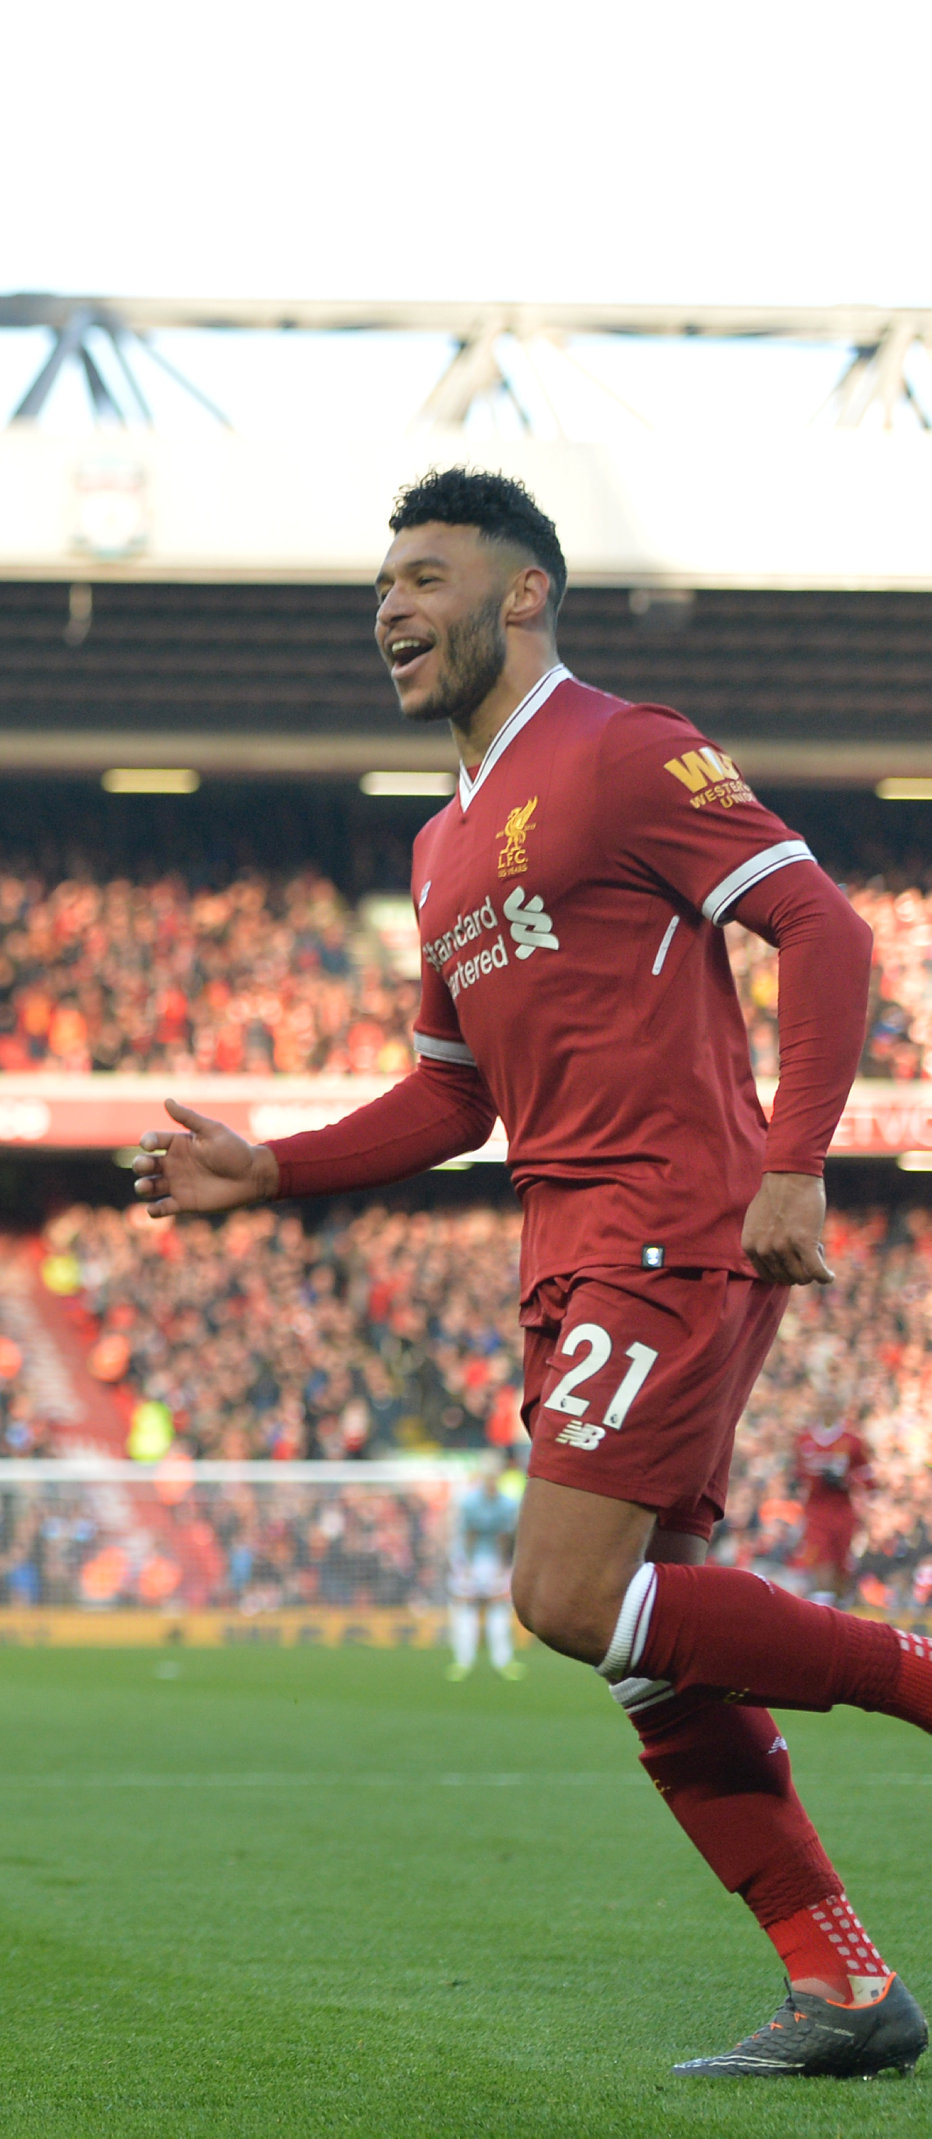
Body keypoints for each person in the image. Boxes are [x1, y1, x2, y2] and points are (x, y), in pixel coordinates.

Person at [133, 468, 909, 2079]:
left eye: (425, 576)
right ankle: (842, 1986)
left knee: (564, 1597)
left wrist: (794, 1153)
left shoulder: (623, 751)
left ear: (524, 592)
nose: (393, 609)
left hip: (671, 1220)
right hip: (569, 1249)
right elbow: (450, 1098)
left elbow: (825, 931)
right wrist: (270, 1168)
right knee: (647, 1646)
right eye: (381, 589)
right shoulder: (441, 845)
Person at [444, 1457, 521, 1681]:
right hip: (469, 1558)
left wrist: (503, 1565)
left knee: (499, 1607)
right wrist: (465, 1566)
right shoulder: (469, 1502)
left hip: (494, 1559)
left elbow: (506, 1537)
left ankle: (503, 1660)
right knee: (465, 1608)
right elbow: (467, 1535)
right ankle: (462, 1660)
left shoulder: (508, 1504)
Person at [787, 1419, 871, 1605]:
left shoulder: (852, 1441)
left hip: (843, 1512)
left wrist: (846, 1480)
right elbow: (798, 1474)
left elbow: (867, 1478)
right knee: (822, 1563)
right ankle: (824, 1612)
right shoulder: (804, 1439)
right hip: (816, 1512)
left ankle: (842, 1608)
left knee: (842, 1569)